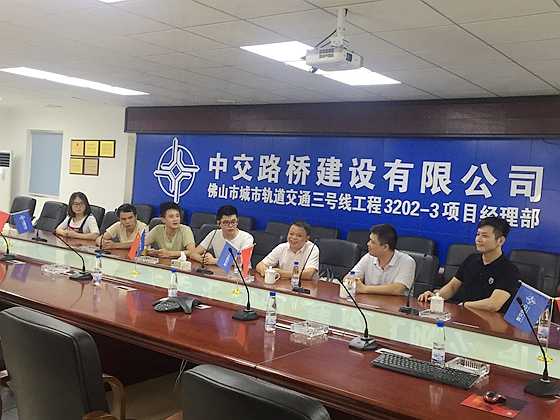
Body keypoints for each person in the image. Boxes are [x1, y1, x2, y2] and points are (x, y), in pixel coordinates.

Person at [418, 217, 519, 313]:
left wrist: (465, 305)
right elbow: (452, 287)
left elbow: (494, 304)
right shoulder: (471, 259)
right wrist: (436, 296)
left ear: (500, 241)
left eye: (485, 236)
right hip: (465, 315)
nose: (479, 239)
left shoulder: (509, 270)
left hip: (492, 321)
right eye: (478, 234)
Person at [343, 224, 415, 296]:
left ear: (385, 247)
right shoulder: (368, 257)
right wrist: (354, 281)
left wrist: (364, 288)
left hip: (396, 303)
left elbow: (397, 289)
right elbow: (346, 279)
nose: (368, 244)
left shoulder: (407, 262)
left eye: (372, 242)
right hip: (369, 301)